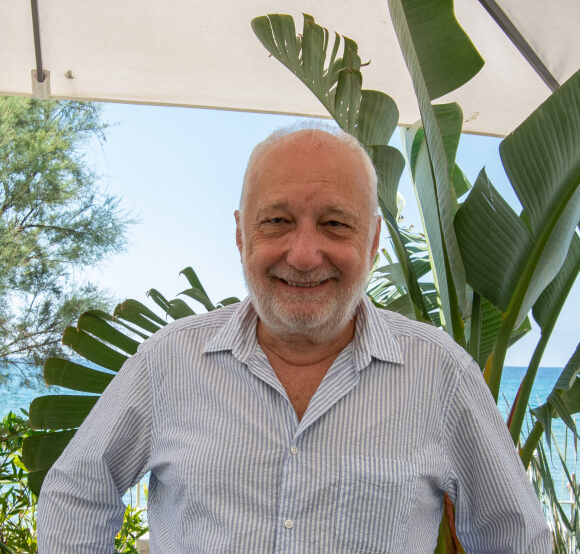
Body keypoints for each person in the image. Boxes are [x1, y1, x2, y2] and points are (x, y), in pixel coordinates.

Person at [37, 127, 551, 552]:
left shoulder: (441, 376)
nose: (304, 254)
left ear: (371, 241)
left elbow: (517, 538)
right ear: (242, 235)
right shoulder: (168, 362)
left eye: (334, 224)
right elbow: (77, 492)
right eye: (277, 221)